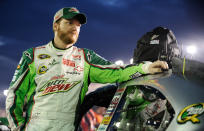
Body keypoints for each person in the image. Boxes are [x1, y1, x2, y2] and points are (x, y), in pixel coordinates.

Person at [6, 7, 169, 131]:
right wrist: (18, 128)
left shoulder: (85, 58)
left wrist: (146, 67)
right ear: (55, 26)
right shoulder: (32, 55)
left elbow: (117, 72)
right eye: (69, 23)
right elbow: (14, 95)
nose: (75, 28)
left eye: (78, 25)